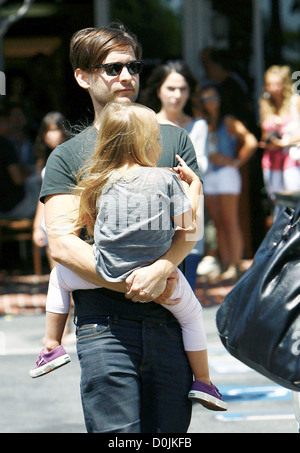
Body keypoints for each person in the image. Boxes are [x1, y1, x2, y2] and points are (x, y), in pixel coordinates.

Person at [38, 23, 205, 433]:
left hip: (167, 323)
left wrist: (162, 271)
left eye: (133, 66)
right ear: (83, 76)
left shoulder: (172, 140)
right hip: (103, 329)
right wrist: (134, 283)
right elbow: (62, 245)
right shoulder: (67, 155)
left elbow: (189, 228)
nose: (126, 76)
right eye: (112, 69)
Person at [30, 102, 228, 416]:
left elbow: (88, 225)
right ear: (146, 144)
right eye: (157, 139)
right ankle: (203, 381)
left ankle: (52, 345)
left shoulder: (97, 182)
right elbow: (189, 225)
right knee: (191, 316)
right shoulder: (166, 181)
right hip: (162, 277)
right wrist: (194, 187)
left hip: (106, 271)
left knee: (58, 278)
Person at [140, 60, 209, 289]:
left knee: (187, 288)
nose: (177, 95)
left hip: (191, 209)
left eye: (183, 89)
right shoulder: (146, 125)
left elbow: (201, 168)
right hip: (156, 215)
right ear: (158, 89)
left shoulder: (199, 126)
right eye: (171, 88)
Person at [198, 85, 257, 281]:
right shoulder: (204, 123)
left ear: (220, 98)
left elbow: (251, 140)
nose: (210, 102)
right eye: (206, 99)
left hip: (227, 174)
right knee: (218, 222)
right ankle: (225, 263)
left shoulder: (228, 121)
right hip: (209, 175)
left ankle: (235, 264)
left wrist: (236, 161)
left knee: (230, 220)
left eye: (213, 97)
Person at [32, 112, 70, 270]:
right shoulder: (44, 160)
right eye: (47, 131)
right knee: (56, 274)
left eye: (55, 130)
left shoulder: (71, 156)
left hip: (68, 221)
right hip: (49, 222)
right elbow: (44, 197)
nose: (51, 135)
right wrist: (37, 227)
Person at [259, 65, 300, 200]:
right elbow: (264, 134)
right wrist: (268, 142)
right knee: (277, 203)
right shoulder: (265, 104)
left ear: (284, 84)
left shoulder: (295, 102)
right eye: (269, 84)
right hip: (272, 160)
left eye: (276, 84)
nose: (273, 88)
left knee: (294, 203)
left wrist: (284, 142)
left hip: (292, 159)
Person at [0, 107, 41, 219]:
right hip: (11, 208)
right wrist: (28, 171)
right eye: (7, 122)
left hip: (4, 206)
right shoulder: (5, 144)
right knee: (40, 185)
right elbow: (18, 179)